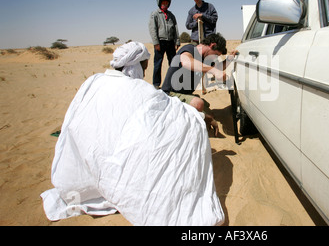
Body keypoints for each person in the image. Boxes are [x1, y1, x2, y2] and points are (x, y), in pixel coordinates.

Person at [40, 41, 224, 226]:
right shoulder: (139, 89)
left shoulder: (93, 81)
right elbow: (170, 112)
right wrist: (199, 117)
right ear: (135, 65)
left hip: (83, 169)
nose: (144, 73)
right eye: (144, 67)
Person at [161, 33, 236, 135]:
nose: (215, 58)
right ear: (212, 45)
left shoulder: (206, 59)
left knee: (210, 114)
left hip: (185, 95)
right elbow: (187, 62)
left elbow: (218, 68)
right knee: (198, 104)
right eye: (216, 55)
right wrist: (213, 70)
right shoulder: (190, 49)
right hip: (170, 95)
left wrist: (229, 59)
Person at [149, 0, 180, 88]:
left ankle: (174, 83)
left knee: (173, 63)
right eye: (163, 3)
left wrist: (177, 41)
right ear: (159, 3)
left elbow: (176, 28)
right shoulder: (155, 14)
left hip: (170, 42)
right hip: (160, 42)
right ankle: (156, 84)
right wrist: (156, 43)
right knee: (158, 64)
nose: (165, 5)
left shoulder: (171, 15)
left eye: (167, 3)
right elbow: (152, 29)